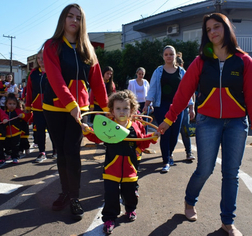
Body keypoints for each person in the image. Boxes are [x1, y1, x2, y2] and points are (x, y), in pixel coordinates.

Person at [157, 13, 252, 236]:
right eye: (208, 29)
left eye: (217, 27)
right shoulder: (200, 61)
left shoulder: (244, 60)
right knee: (204, 169)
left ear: (226, 29)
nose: (213, 32)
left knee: (231, 173)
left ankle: (227, 221)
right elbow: (183, 92)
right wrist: (169, 119)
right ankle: (189, 202)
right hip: (207, 122)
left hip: (236, 123)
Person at [42, 3, 109, 220]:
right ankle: (65, 191)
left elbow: (97, 82)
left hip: (81, 110)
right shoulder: (51, 46)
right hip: (54, 107)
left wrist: (107, 108)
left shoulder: (87, 48)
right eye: (70, 16)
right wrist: (70, 105)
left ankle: (74, 197)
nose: (74, 20)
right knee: (61, 152)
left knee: (72, 151)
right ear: (63, 19)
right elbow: (55, 78)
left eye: (78, 18)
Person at [81, 90, 158, 234]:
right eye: (118, 108)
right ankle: (109, 218)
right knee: (111, 196)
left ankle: (130, 210)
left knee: (130, 195)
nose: (121, 112)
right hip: (111, 170)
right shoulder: (108, 126)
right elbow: (96, 137)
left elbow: (142, 143)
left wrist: (154, 136)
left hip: (130, 171)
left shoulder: (135, 127)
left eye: (125, 108)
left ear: (132, 110)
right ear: (112, 110)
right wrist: (87, 131)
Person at [143, 45, 194, 173]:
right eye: (166, 54)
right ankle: (166, 161)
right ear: (163, 56)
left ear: (175, 55)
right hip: (161, 106)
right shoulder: (158, 71)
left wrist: (191, 107)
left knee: (175, 134)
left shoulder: (182, 72)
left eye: (171, 54)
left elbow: (188, 91)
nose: (169, 56)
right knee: (165, 133)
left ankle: (170, 154)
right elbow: (153, 89)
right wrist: (147, 104)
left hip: (178, 107)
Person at [25, 49, 57, 163]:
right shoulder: (33, 73)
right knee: (39, 131)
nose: (41, 61)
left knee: (53, 130)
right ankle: (42, 152)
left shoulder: (53, 70)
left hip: (52, 107)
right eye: (39, 58)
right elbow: (29, 90)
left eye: (43, 58)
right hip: (37, 107)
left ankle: (55, 150)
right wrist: (28, 106)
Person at [175, 53, 195, 161]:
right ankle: (168, 154)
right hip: (173, 107)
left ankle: (189, 152)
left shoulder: (185, 74)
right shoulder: (169, 74)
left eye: (180, 64)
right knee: (172, 132)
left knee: (186, 131)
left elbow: (191, 92)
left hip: (185, 107)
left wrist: (192, 107)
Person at [4, 94, 25, 164]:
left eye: (14, 104)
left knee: (15, 145)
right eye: (10, 104)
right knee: (7, 145)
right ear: (6, 104)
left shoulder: (17, 111)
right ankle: (9, 154)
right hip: (7, 133)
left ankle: (15, 157)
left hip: (16, 132)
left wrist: (22, 115)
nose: (12, 105)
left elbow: (24, 115)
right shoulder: (4, 112)